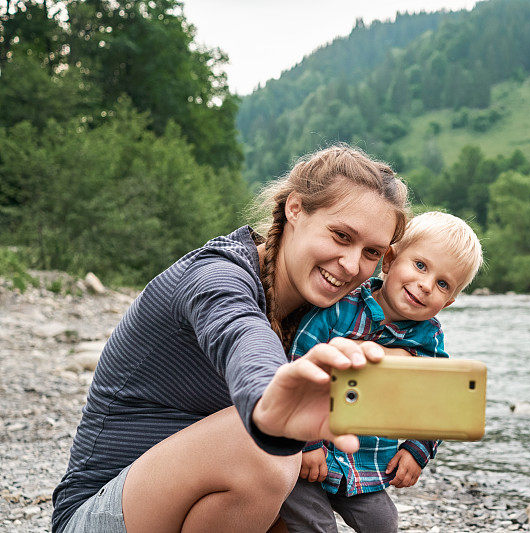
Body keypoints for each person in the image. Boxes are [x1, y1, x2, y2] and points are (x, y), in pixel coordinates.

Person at [51, 145, 409, 533]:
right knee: (265, 455)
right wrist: (274, 399)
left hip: (185, 506)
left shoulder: (322, 314)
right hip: (99, 517)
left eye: (371, 252)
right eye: (341, 236)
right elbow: (241, 336)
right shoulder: (217, 277)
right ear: (295, 209)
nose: (352, 265)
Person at [278, 211, 483, 533]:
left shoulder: (429, 338)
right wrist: (307, 444)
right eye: (420, 265)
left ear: (449, 301)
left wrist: (416, 451)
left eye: (443, 284)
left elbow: (443, 402)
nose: (426, 285)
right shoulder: (339, 308)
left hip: (367, 465)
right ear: (389, 260)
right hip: (311, 454)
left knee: (385, 524)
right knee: (315, 524)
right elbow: (297, 367)